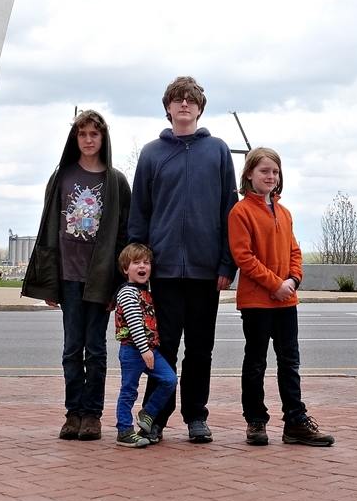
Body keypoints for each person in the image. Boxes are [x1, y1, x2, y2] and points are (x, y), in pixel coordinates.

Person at [128, 75, 237, 444]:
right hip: (165, 271)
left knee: (201, 349)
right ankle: (156, 417)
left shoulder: (219, 151)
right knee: (164, 348)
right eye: (178, 100)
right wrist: (138, 268)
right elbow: (139, 215)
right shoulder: (152, 153)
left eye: (191, 100)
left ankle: (196, 417)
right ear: (169, 108)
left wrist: (227, 264)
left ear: (200, 107)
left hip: (208, 272)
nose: (185, 105)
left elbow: (229, 212)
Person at [22, 109, 131, 441]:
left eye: (94, 134)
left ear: (103, 139)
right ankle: (72, 413)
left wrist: (119, 283)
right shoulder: (61, 177)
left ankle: (92, 415)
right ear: (75, 138)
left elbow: (124, 235)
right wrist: (48, 282)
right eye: (82, 134)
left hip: (100, 277)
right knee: (72, 347)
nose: (88, 140)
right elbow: (47, 230)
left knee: (95, 348)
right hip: (68, 275)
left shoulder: (115, 181)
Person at [228, 146, 335, 447]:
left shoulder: (284, 213)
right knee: (256, 363)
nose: (271, 176)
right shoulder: (241, 212)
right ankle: (256, 422)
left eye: (275, 171)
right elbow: (243, 257)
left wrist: (293, 279)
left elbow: (294, 251)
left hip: (287, 301)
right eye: (264, 171)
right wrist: (275, 283)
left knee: (290, 363)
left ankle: (295, 422)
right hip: (257, 302)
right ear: (249, 174)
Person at [114, 243, 178, 447]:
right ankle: (124, 430)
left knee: (169, 380)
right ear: (126, 269)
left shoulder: (145, 291)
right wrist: (144, 350)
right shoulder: (127, 293)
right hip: (134, 351)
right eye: (136, 263)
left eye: (146, 262)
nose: (142, 266)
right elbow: (134, 323)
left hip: (150, 350)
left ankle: (148, 412)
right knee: (129, 391)